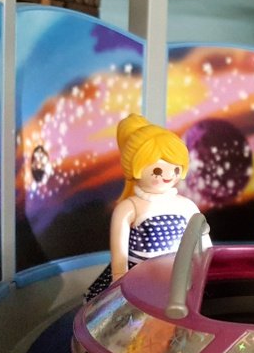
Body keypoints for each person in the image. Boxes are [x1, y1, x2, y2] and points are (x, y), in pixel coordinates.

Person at [85, 114, 201, 301]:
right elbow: (120, 257)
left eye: (176, 169)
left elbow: (203, 242)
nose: (168, 175)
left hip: (177, 277)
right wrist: (119, 282)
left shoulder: (186, 206)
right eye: (157, 170)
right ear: (135, 168)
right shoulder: (129, 208)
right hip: (139, 278)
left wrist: (205, 269)